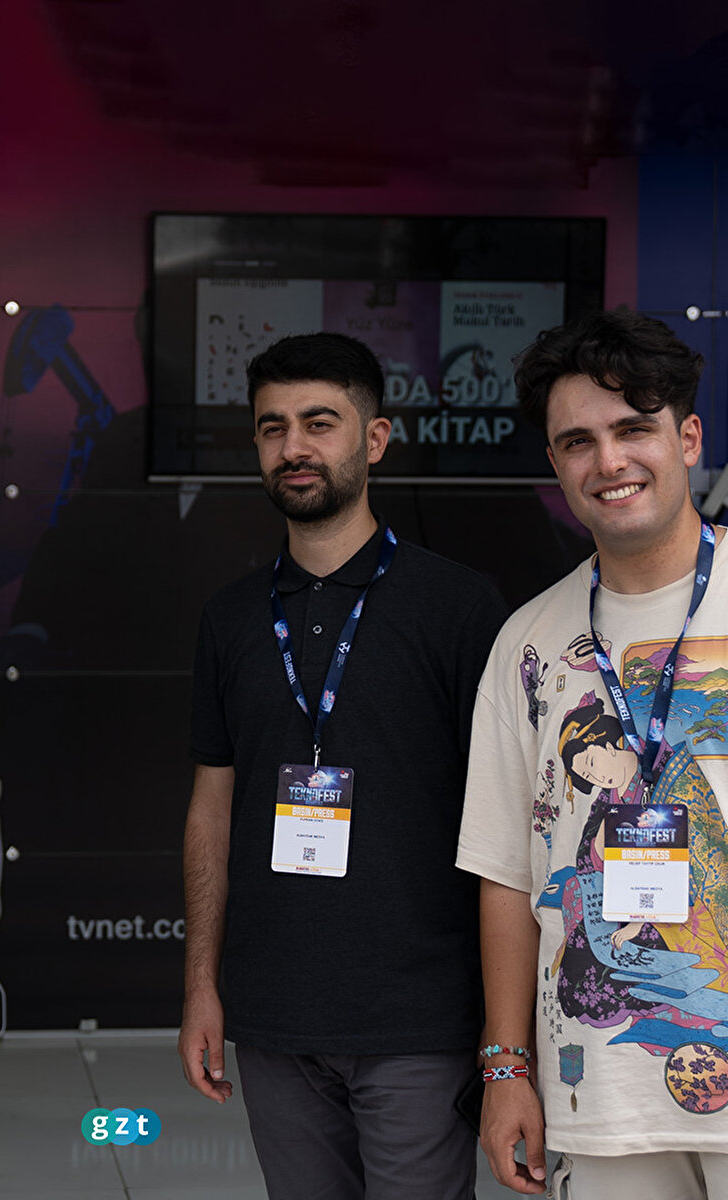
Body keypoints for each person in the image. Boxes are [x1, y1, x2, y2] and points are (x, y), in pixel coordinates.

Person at [179, 331, 508, 1200]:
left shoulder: (459, 607)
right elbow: (212, 810)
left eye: (319, 423)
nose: (294, 446)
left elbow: (507, 825)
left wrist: (505, 1034)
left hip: (420, 1018)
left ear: (375, 438)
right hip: (274, 1015)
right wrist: (202, 986)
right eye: (273, 427)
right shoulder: (231, 618)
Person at [457, 307, 728, 1198]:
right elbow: (505, 874)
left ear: (688, 438)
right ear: (554, 463)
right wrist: (506, 1069)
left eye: (633, 429)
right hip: (602, 1100)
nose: (608, 461)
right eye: (579, 441)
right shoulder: (528, 643)